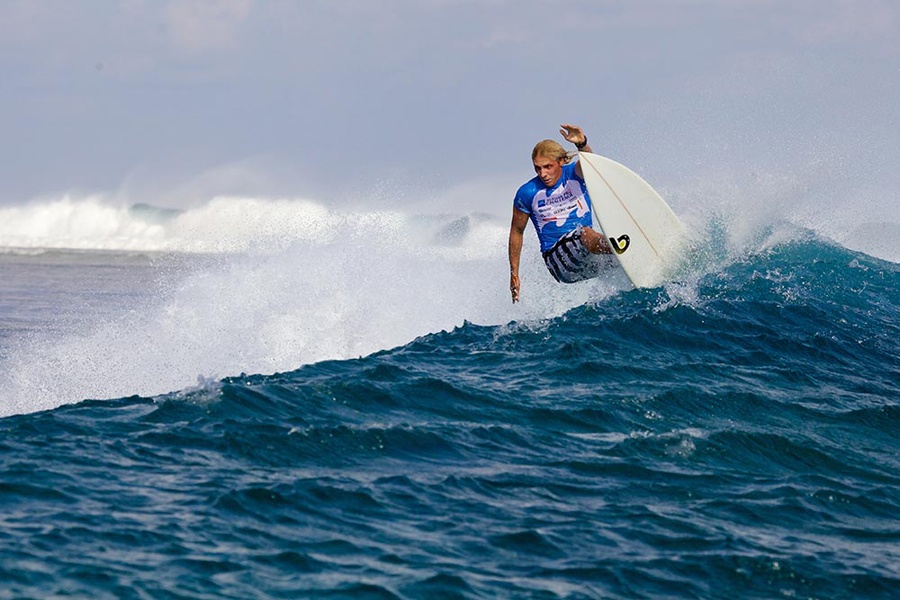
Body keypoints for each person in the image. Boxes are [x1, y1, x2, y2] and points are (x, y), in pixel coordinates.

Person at [508, 123, 612, 303]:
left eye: (548, 166)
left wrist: (581, 144)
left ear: (561, 162)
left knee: (618, 264)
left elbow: (592, 164)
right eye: (537, 168)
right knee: (584, 233)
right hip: (558, 261)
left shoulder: (575, 174)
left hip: (589, 257)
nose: (543, 173)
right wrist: (514, 273)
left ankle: (627, 254)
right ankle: (618, 247)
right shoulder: (527, 192)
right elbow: (516, 231)